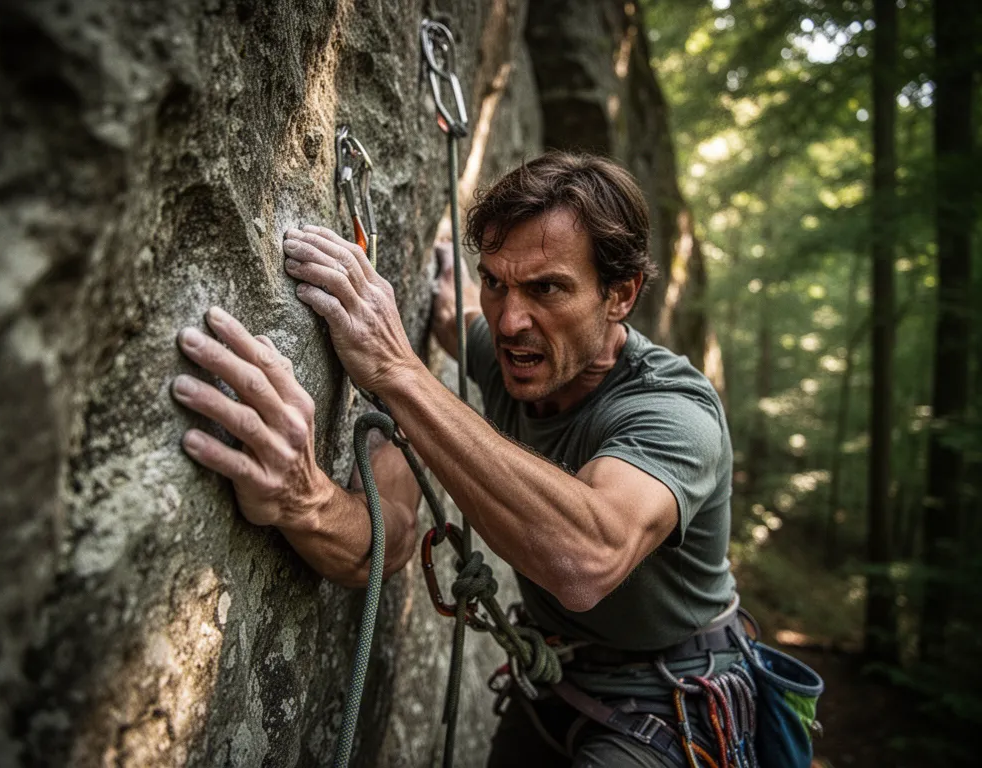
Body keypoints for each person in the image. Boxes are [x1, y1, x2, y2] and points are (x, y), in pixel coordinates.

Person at [172, 153, 745, 767]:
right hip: (549, 677)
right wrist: (302, 497)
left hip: (670, 695)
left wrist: (396, 370)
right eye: (496, 281)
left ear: (620, 294)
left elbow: (586, 558)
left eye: (547, 288)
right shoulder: (512, 356)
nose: (510, 320)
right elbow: (383, 544)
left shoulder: (674, 412)